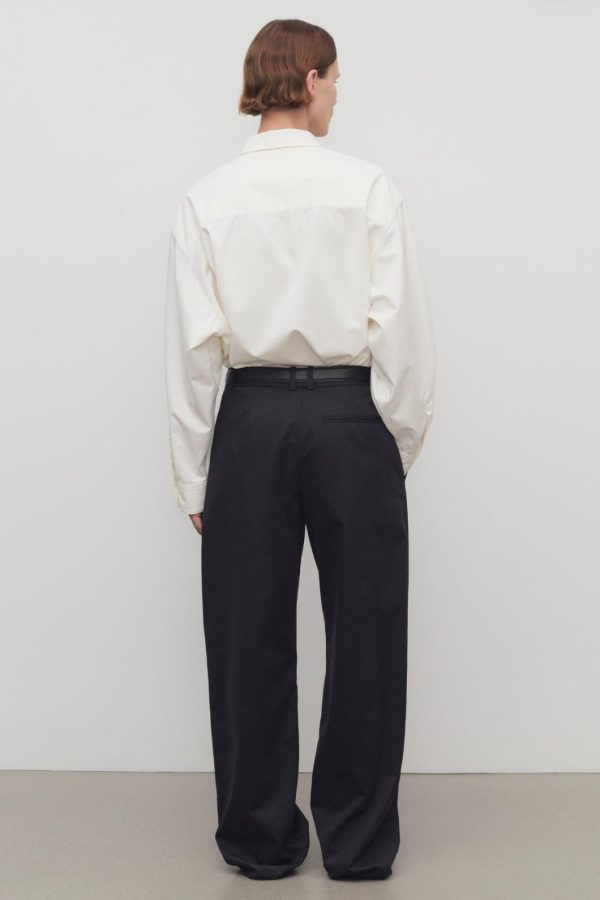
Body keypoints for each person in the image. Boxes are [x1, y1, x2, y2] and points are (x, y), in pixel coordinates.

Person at [164, 18, 436, 882]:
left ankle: (259, 839)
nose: (338, 96)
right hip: (351, 418)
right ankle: (357, 842)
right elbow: (401, 331)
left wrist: (193, 474)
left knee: (245, 635)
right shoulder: (366, 188)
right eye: (337, 80)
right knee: (368, 634)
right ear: (311, 79)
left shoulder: (207, 199)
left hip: (248, 423)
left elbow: (192, 350)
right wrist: (394, 441)